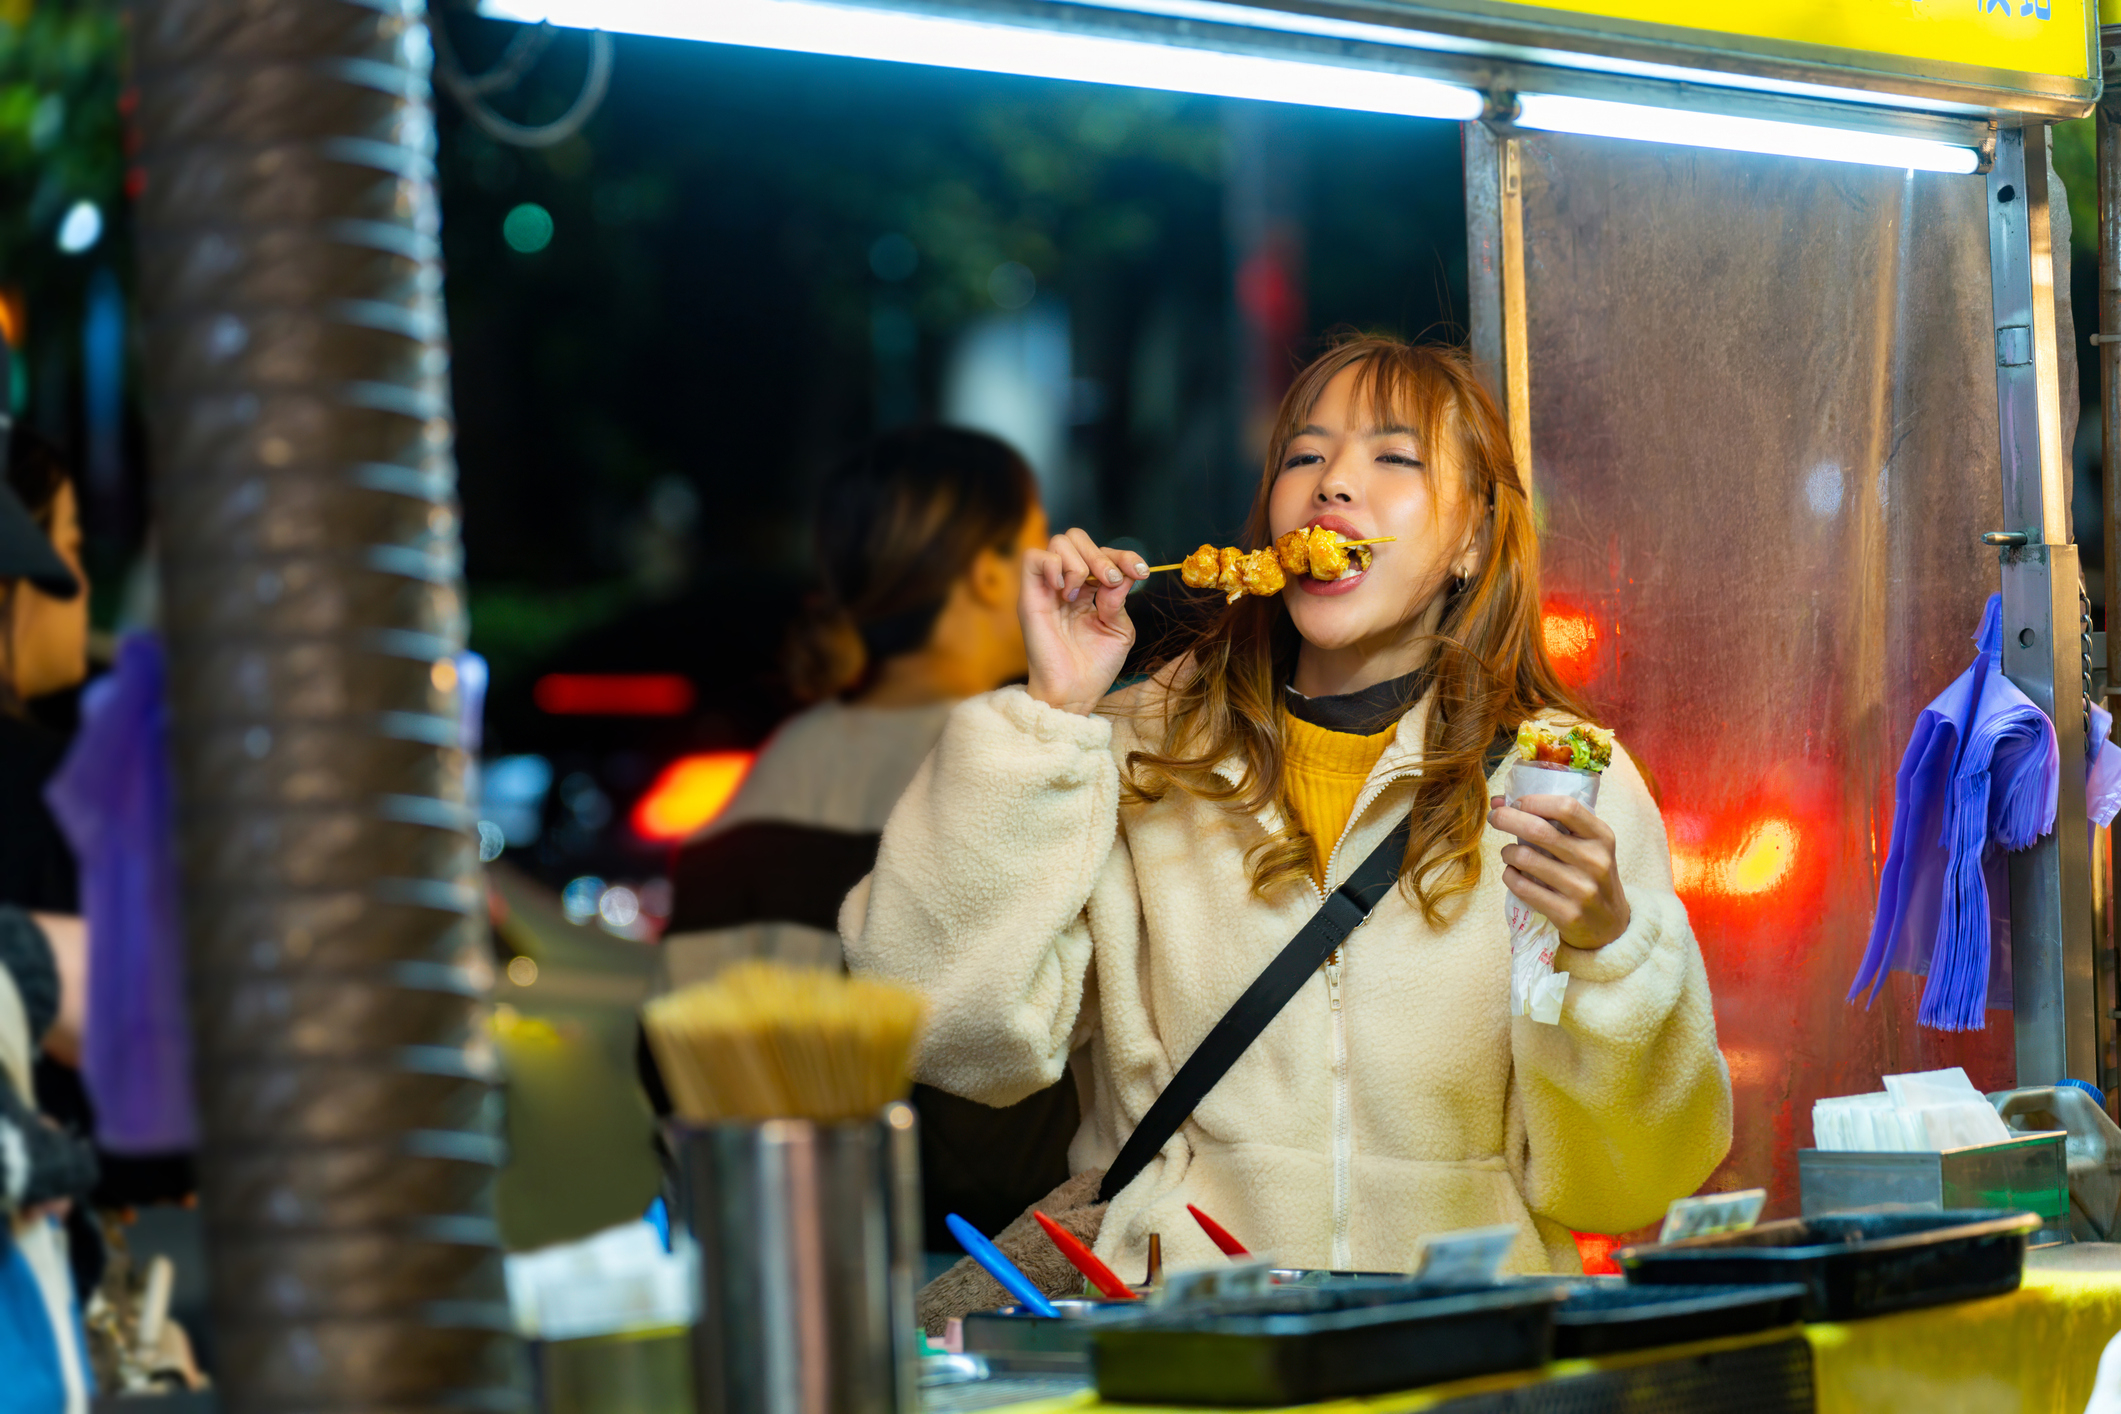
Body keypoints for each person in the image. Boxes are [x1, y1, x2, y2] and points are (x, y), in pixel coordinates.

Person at [844, 334, 1732, 1277]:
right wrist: (1052, 714)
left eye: (1393, 458)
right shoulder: (1143, 751)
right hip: (1189, 1342)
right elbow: (944, 1027)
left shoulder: (1558, 777)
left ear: (1472, 536)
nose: (1331, 486)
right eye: (1304, 456)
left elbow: (1632, 1184)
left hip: (1465, 1343)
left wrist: (1609, 954)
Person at [658, 425, 1080, 1246]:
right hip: (970, 1255)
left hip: (776, 1228)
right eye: (1037, 541)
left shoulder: (774, 766)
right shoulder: (1001, 768)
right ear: (992, 573)